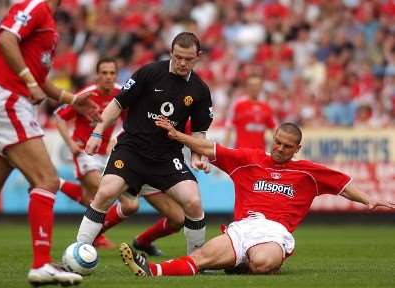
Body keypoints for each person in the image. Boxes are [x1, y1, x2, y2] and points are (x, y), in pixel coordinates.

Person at [0, 1, 100, 286]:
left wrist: (72, 100)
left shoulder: (50, 21)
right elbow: (6, 39)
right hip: (11, 101)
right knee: (47, 180)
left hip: (9, 102)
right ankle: (41, 264)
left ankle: (42, 264)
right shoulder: (36, 5)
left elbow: (41, 82)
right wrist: (27, 81)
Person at [119, 119, 395, 277]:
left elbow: (343, 185)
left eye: (287, 146)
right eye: (277, 142)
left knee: (262, 263)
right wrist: (179, 136)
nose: (280, 149)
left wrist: (368, 200)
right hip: (244, 227)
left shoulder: (308, 173)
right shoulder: (248, 160)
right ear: (272, 138)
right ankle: (151, 269)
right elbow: (211, 148)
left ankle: (243, 264)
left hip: (275, 232)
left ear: (297, 148)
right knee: (201, 258)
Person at [75, 32, 214, 256]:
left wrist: (199, 158)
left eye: (188, 59)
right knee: (105, 192)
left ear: (198, 56)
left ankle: (197, 261)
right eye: (178, 57)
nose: (182, 63)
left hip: (167, 158)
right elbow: (118, 104)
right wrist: (97, 132)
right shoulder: (150, 73)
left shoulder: (199, 90)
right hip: (132, 150)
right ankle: (78, 251)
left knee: (194, 202)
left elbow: (199, 133)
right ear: (171, 52)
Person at [55, 57, 185, 255]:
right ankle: (85, 241)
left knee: (158, 213)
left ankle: (61, 187)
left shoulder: (122, 92)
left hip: (118, 155)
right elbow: (59, 117)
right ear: (97, 75)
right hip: (86, 153)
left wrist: (117, 139)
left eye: (112, 73)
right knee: (112, 198)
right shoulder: (87, 95)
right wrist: (71, 143)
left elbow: (132, 122)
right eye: (104, 73)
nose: (108, 77)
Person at [223, 74, 275, 150]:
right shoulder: (238, 104)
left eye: (257, 85)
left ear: (261, 87)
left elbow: (274, 130)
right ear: (247, 87)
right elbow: (228, 127)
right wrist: (224, 150)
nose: (254, 88)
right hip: (241, 152)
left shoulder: (266, 107)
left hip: (259, 154)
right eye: (252, 85)